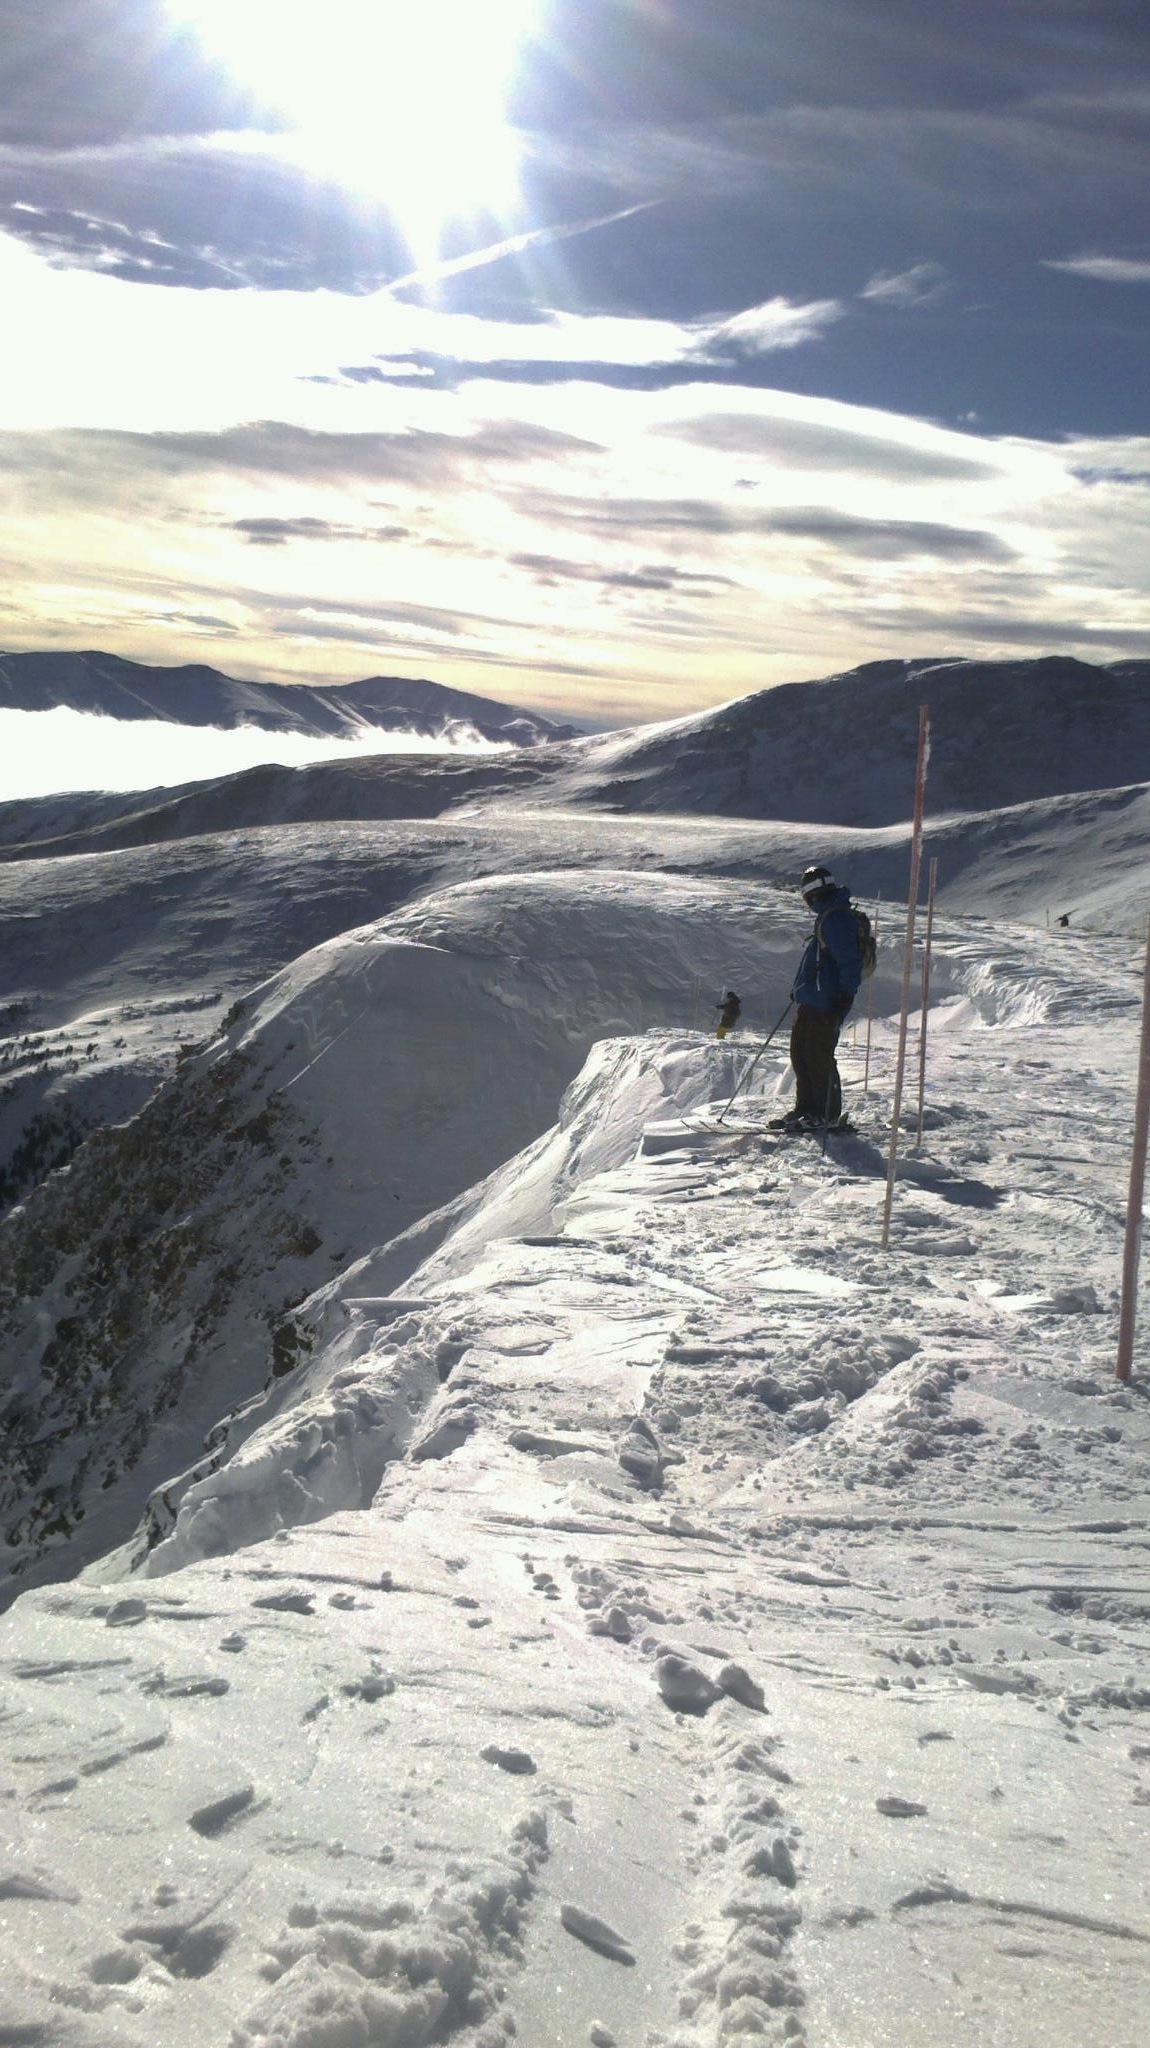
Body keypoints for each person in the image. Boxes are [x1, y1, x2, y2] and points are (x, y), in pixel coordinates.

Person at [774, 864, 863, 1130]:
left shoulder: (836, 918)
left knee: (818, 1057)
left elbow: (849, 962)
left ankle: (826, 1114)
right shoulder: (828, 915)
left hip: (826, 1003)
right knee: (801, 1055)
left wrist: (844, 997)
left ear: (811, 893)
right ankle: (806, 1110)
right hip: (812, 999)